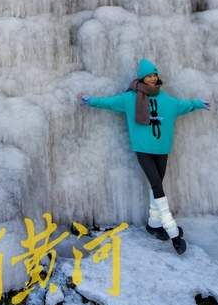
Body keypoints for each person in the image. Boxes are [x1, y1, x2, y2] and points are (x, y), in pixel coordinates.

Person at [78, 58, 210, 255]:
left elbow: (184, 105)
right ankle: (173, 232)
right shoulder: (130, 99)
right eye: (149, 75)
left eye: (154, 74)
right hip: (143, 150)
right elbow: (109, 102)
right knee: (157, 186)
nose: (152, 77)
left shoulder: (167, 99)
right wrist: (91, 101)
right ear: (142, 77)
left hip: (163, 149)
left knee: (154, 186)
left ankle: (153, 224)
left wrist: (197, 104)